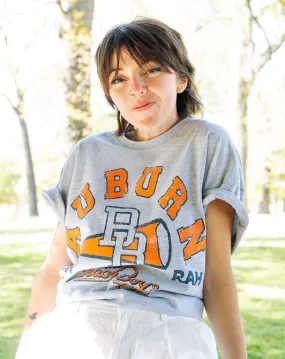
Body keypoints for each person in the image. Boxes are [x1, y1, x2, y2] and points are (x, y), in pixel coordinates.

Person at [15, 17, 249, 359]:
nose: (136, 88)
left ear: (181, 78)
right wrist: (29, 342)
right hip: (76, 322)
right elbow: (54, 267)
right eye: (119, 79)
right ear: (110, 93)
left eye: (151, 70)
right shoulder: (88, 153)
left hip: (166, 326)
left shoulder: (207, 144)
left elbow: (216, 277)